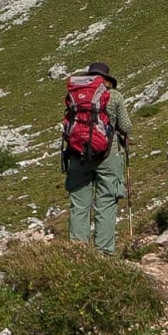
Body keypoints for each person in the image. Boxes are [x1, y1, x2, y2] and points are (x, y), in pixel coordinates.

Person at [60, 61, 132, 253]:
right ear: (108, 80)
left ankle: (78, 252)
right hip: (107, 156)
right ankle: (104, 253)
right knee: (106, 203)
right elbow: (126, 128)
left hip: (77, 154)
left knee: (79, 205)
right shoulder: (114, 96)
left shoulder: (74, 95)